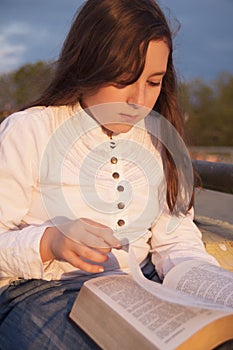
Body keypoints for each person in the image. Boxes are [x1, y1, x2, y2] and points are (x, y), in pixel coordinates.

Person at [0, 0, 218, 348]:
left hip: (142, 287)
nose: (138, 99)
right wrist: (49, 242)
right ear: (86, 66)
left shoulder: (158, 142)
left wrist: (211, 288)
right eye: (122, 80)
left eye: (154, 81)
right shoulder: (30, 130)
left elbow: (176, 240)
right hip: (44, 293)